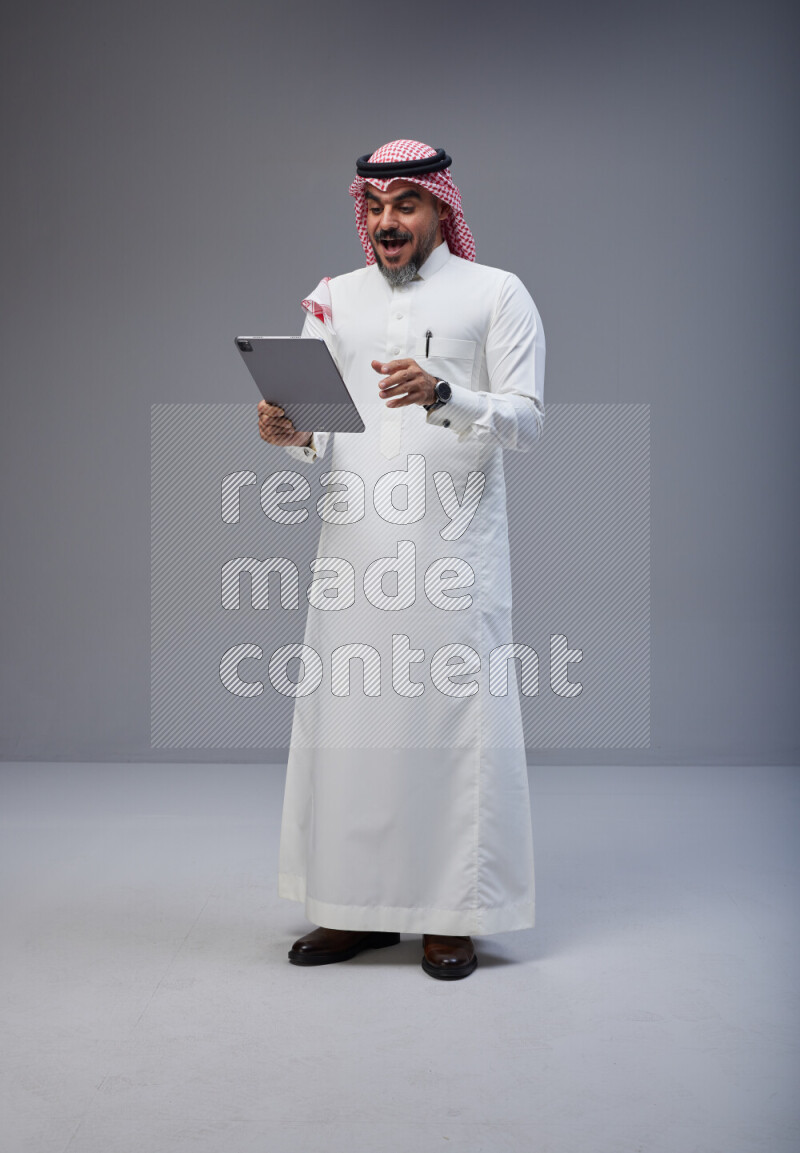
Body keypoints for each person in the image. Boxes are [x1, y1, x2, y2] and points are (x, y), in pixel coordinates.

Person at [258, 139, 545, 980]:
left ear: (440, 208)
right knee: (351, 729)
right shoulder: (333, 298)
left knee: (449, 727)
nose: (388, 221)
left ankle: (451, 915)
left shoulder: (496, 293)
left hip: (452, 554)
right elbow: (319, 427)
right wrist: (290, 430)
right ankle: (352, 909)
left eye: (406, 204)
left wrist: (443, 393)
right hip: (353, 550)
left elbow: (528, 421)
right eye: (376, 206)